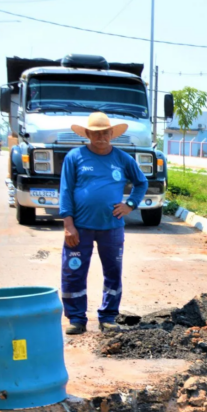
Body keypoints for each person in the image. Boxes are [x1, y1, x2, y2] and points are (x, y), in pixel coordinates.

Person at [59, 112, 148, 335]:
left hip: (112, 228)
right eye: (96, 133)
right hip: (80, 228)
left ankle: (108, 317)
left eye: (105, 133)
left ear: (112, 134)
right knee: (74, 271)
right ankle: (77, 318)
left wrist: (130, 204)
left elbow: (141, 182)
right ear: (88, 134)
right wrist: (68, 225)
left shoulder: (123, 158)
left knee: (113, 271)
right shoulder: (75, 157)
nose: (101, 137)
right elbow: (66, 191)